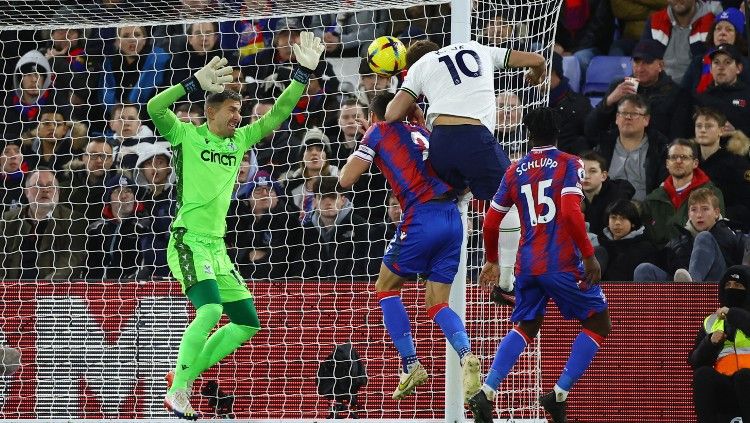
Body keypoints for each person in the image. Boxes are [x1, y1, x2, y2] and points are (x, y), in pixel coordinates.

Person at [146, 32, 324, 419]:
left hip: (217, 247)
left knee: (246, 322)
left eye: (240, 109)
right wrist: (191, 84)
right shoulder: (185, 135)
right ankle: (179, 389)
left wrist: (300, 75)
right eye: (231, 109)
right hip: (187, 241)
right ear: (210, 111)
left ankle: (183, 374)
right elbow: (155, 107)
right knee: (209, 311)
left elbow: (277, 114)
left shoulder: (239, 141)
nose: (238, 115)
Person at [339, 92, 483, 403]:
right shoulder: (426, 131)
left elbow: (346, 179)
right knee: (438, 302)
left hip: (421, 217)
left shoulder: (378, 131)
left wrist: (367, 142)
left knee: (386, 288)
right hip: (453, 219)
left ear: (377, 116)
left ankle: (410, 364)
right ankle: (466, 353)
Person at [471, 107, 611, 423]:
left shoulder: (515, 170)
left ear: (529, 132)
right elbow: (571, 212)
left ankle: (487, 391)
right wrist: (589, 256)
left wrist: (492, 260)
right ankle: (559, 394)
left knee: (526, 326)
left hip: (527, 264)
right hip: (562, 262)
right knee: (599, 323)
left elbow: (491, 222)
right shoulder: (570, 163)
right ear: (557, 132)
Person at [384, 39, 546, 200]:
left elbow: (391, 115)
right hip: (474, 138)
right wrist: (535, 75)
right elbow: (538, 60)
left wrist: (412, 105)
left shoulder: (420, 65)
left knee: (455, 199)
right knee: (511, 195)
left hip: (440, 145)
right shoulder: (479, 48)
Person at [635, 188, 749, 282]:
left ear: (716, 212)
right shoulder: (676, 243)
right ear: (689, 214)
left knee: (704, 237)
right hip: (682, 298)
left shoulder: (733, 234)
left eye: (705, 209)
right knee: (643, 269)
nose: (699, 215)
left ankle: (691, 286)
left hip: (720, 289)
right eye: (694, 210)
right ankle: (646, 309)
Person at [690, 265, 750, 423]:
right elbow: (695, 361)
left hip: (748, 384)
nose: (732, 289)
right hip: (727, 387)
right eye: (728, 285)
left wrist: (733, 314)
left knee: (744, 376)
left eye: (738, 286)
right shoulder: (712, 321)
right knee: (702, 375)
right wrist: (709, 343)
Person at [642, 138, 724, 248]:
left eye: (684, 157)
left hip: (696, 255)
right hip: (660, 257)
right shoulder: (652, 200)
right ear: (667, 163)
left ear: (695, 163)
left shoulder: (712, 194)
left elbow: (717, 234)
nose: (678, 161)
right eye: (674, 157)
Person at [693, 106, 750, 226]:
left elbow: (746, 205)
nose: (702, 130)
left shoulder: (737, 164)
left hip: (725, 227)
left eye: (709, 126)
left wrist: (716, 215)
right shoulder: (687, 160)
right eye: (699, 126)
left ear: (721, 130)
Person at [595, 199, 657, 281]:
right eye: (613, 218)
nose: (617, 223)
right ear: (607, 222)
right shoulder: (601, 246)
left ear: (633, 223)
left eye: (623, 218)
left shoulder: (645, 248)